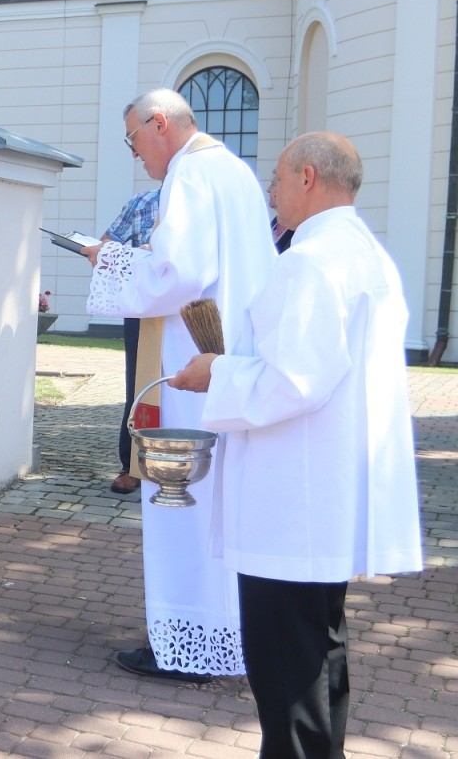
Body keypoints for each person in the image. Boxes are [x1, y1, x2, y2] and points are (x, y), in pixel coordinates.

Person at [169, 132, 423, 757]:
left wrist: (214, 373)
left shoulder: (311, 262)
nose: (272, 192)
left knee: (287, 676)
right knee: (318, 657)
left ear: (307, 177)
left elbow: (294, 381)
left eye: (278, 180)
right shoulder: (361, 253)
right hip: (323, 493)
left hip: (292, 503)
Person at [82, 88, 276, 682]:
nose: (135, 153)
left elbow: (181, 274)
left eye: (133, 138)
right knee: (219, 503)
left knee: (181, 498)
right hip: (231, 360)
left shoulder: (189, 176)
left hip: (193, 367)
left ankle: (185, 643)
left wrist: (108, 259)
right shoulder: (235, 171)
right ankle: (225, 633)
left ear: (158, 123)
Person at [97, 188, 160, 495]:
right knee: (138, 386)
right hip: (143, 308)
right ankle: (132, 466)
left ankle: (183, 459)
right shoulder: (143, 201)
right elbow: (109, 242)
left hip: (192, 308)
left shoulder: (208, 196)